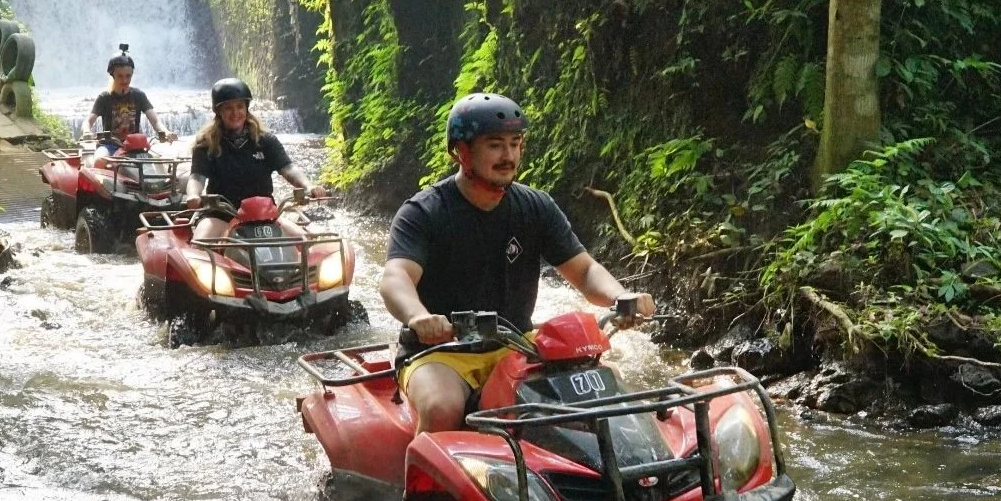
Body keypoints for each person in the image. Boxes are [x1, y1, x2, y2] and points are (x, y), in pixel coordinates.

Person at [380, 92, 656, 433]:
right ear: (462, 152)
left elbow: (584, 271)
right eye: (495, 145)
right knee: (442, 408)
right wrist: (419, 316)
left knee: (603, 388)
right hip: (440, 352)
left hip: (519, 345)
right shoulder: (424, 211)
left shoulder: (536, 207)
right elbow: (396, 276)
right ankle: (419, 487)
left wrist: (620, 297)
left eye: (515, 143)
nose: (508, 155)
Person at [184, 77, 328, 240]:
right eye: (228, 108)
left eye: (240, 106)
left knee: (307, 242)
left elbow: (288, 168)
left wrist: (309, 186)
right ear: (219, 111)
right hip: (221, 216)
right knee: (200, 245)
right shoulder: (206, 143)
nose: (235, 113)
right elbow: (197, 176)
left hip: (265, 215)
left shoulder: (265, 140)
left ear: (247, 108)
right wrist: (193, 195)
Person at [81, 44, 177, 160]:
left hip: (135, 146)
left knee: (156, 166)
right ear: (112, 75)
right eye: (120, 76)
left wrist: (165, 132)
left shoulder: (139, 95)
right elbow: (89, 120)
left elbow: (155, 120)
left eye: (128, 76)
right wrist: (86, 131)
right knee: (99, 160)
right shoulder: (104, 97)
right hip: (109, 145)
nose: (125, 80)